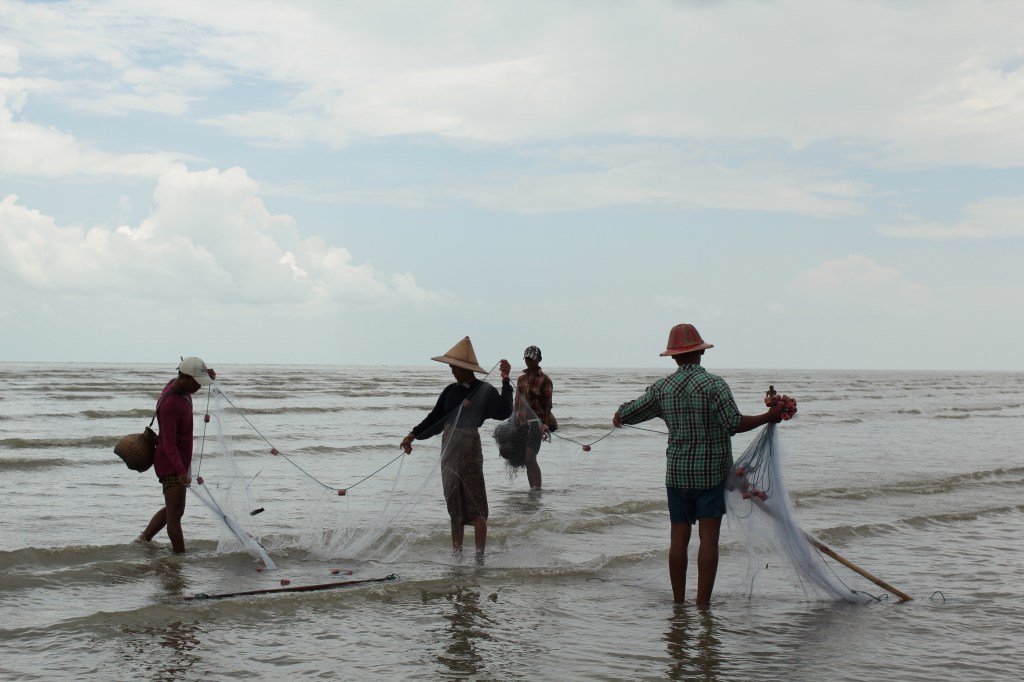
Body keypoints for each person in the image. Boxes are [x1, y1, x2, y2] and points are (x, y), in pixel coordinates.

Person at [613, 324, 782, 607]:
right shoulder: (715, 385)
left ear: (674, 357)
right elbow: (733, 424)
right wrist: (769, 416)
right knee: (708, 540)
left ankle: (679, 604)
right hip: (711, 476)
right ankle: (702, 605)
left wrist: (619, 415)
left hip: (677, 475)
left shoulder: (662, 388)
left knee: (678, 538)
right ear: (700, 353)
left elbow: (627, 413)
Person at [400, 337, 512, 559]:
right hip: (449, 446)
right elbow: (435, 418)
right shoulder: (450, 391)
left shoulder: (485, 390)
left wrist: (506, 381)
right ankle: (457, 555)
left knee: (477, 503)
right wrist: (413, 435)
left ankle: (479, 557)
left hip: (470, 445)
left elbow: (504, 411)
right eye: (451, 367)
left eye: (454, 367)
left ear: (465, 368)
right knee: (454, 503)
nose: (452, 371)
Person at [138, 356, 216, 554]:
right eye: (197, 382)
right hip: (171, 463)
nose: (199, 387)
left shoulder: (178, 386)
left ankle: (142, 540)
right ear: (184, 377)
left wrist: (207, 375)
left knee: (172, 510)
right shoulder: (171, 404)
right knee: (176, 514)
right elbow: (169, 443)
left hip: (177, 460)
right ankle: (180, 557)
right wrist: (181, 471)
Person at [516, 345, 555, 490]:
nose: (529, 361)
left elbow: (548, 406)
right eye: (526, 358)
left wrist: (545, 424)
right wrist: (515, 420)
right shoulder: (521, 379)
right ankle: (532, 489)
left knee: (530, 457)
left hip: (536, 423)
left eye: (532, 358)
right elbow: (517, 402)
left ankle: (537, 489)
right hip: (522, 423)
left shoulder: (545, 380)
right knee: (527, 460)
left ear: (539, 359)